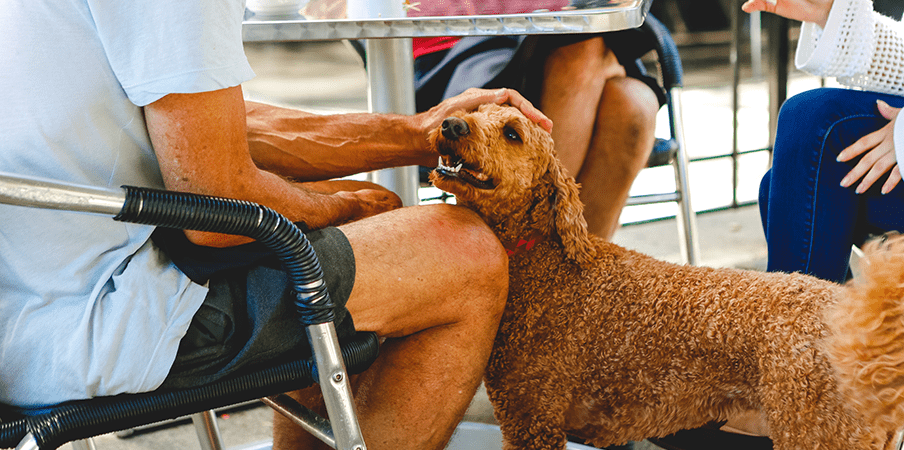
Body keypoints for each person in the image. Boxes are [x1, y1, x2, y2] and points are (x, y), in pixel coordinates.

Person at [0, 2, 553, 450]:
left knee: (335, 239)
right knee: (464, 252)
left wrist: (415, 133)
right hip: (93, 326)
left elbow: (213, 125)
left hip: (30, 304)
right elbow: (218, 209)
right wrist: (338, 208)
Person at [744, 0, 904, 282]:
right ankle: (830, 323)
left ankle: (804, 324)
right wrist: (836, 20)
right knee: (792, 180)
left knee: (814, 129)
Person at [410, 0, 664, 240]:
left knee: (633, 103)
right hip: (456, 45)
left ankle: (573, 274)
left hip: (545, 31)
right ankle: (535, 257)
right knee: (582, 53)